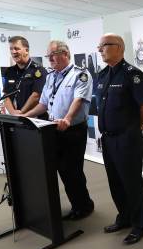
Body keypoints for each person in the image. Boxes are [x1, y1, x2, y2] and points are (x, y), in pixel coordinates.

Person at [23, 40, 95, 220]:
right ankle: (79, 204)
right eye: (48, 55)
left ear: (65, 54)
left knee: (72, 171)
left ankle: (84, 206)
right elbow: (43, 104)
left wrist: (68, 119)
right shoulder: (51, 76)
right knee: (60, 170)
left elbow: (78, 100)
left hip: (73, 130)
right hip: (53, 129)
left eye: (53, 55)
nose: (50, 59)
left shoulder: (81, 74)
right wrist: (27, 116)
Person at [97, 33, 143, 245]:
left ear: (118, 47)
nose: (100, 50)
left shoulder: (133, 74)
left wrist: (134, 126)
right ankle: (124, 217)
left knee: (131, 183)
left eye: (103, 46)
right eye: (99, 47)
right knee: (115, 183)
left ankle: (139, 226)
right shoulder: (101, 76)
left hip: (127, 138)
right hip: (108, 139)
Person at [3, 36, 47, 118]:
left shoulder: (39, 71)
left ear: (26, 50)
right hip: (16, 118)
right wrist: (13, 113)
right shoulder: (9, 71)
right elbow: (6, 96)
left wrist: (22, 112)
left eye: (16, 48)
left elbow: (36, 96)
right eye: (11, 49)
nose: (13, 51)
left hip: (35, 118)